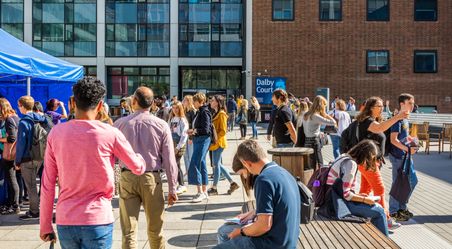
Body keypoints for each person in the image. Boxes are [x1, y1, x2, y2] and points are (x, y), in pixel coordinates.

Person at [39, 77, 146, 249]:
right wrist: (141, 158)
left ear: (73, 102)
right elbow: (138, 168)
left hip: (66, 219)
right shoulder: (110, 133)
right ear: (99, 105)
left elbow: (47, 184)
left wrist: (45, 224)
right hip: (97, 218)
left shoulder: (56, 133)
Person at [114, 86, 178, 249]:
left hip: (127, 176)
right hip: (151, 178)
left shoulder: (120, 124)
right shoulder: (161, 125)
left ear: (134, 101)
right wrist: (172, 188)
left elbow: (110, 157)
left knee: (128, 232)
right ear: (152, 104)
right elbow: (170, 160)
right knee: (156, 230)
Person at [214, 140, 300, 249]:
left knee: (223, 239)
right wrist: (255, 212)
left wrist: (241, 232)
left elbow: (264, 226)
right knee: (226, 231)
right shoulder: (284, 172)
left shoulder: (264, 180)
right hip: (288, 241)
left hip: (272, 243)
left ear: (246, 163)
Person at [354, 96, 409, 230]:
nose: (382, 108)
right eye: (379, 106)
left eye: (382, 106)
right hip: (367, 161)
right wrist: (397, 117)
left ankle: (362, 214)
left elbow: (382, 128)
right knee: (380, 188)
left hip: (370, 160)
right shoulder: (367, 121)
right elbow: (379, 128)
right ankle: (385, 219)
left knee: (365, 190)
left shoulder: (371, 120)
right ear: (371, 108)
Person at [321, 140, 389, 236]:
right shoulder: (351, 165)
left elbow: (343, 189)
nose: (370, 162)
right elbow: (347, 195)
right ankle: (385, 243)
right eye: (371, 158)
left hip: (333, 200)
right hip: (337, 205)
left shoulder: (344, 156)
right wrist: (365, 200)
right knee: (380, 211)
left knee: (376, 211)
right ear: (366, 155)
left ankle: (378, 240)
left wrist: (359, 195)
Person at [15, 96, 49, 220]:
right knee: (38, 184)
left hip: (27, 158)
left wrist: (17, 161)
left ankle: (34, 212)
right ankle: (39, 209)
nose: (18, 108)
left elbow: (21, 144)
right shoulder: (41, 119)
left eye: (19, 105)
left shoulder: (24, 122)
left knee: (31, 186)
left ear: (23, 106)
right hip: (40, 156)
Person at [389, 93, 418, 222]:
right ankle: (394, 211)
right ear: (402, 104)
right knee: (398, 184)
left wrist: (411, 140)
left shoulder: (405, 118)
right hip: (398, 156)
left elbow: (402, 137)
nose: (413, 106)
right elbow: (393, 140)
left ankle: (401, 207)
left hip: (405, 155)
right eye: (410, 103)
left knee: (411, 181)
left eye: (413, 103)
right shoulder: (397, 119)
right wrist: (408, 149)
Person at [207, 95, 239, 196]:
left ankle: (214, 188)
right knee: (218, 165)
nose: (211, 102)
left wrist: (215, 139)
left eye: (212, 100)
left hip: (219, 143)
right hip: (215, 143)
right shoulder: (216, 113)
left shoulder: (221, 114)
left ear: (217, 102)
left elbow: (223, 131)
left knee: (216, 165)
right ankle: (232, 183)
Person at [187, 92, 212, 203]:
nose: (193, 103)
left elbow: (206, 130)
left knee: (195, 163)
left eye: (195, 101)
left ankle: (200, 192)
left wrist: (193, 131)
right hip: (199, 140)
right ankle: (204, 191)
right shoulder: (200, 111)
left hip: (202, 140)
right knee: (201, 164)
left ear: (199, 101)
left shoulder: (204, 112)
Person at [302, 96, 336, 169]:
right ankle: (319, 179)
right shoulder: (315, 116)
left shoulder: (306, 114)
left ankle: (313, 179)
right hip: (314, 141)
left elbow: (309, 128)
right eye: (324, 105)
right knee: (319, 163)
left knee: (311, 164)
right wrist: (326, 115)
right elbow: (333, 122)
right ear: (321, 105)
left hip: (306, 141)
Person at [0, 98, 20, 215]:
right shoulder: (15, 117)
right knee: (11, 180)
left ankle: (14, 205)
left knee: (12, 180)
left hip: (9, 154)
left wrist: (0, 139)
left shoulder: (9, 120)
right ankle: (12, 204)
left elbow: (12, 138)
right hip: (13, 154)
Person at [169, 101, 189, 195]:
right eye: (173, 108)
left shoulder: (182, 119)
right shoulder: (172, 119)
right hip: (172, 143)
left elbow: (184, 135)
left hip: (179, 144)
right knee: (176, 165)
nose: (175, 110)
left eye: (177, 108)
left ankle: (181, 184)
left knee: (176, 164)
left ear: (180, 108)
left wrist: (178, 146)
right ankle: (179, 184)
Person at [183, 95, 196, 175]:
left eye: (185, 100)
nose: (183, 102)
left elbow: (193, 125)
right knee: (185, 154)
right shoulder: (184, 111)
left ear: (189, 101)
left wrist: (191, 137)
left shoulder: (193, 111)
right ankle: (188, 171)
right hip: (184, 135)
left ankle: (191, 171)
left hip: (190, 136)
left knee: (190, 155)